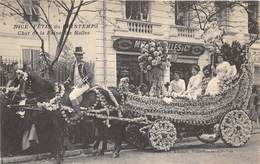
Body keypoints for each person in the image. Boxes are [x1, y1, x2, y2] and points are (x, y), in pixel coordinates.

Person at [64, 46, 94, 121]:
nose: (80, 56)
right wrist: (66, 82)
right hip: (76, 86)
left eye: (81, 55)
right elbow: (70, 77)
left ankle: (78, 113)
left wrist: (83, 82)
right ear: (75, 55)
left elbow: (90, 74)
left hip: (84, 85)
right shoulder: (73, 65)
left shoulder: (85, 64)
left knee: (72, 96)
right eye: (78, 55)